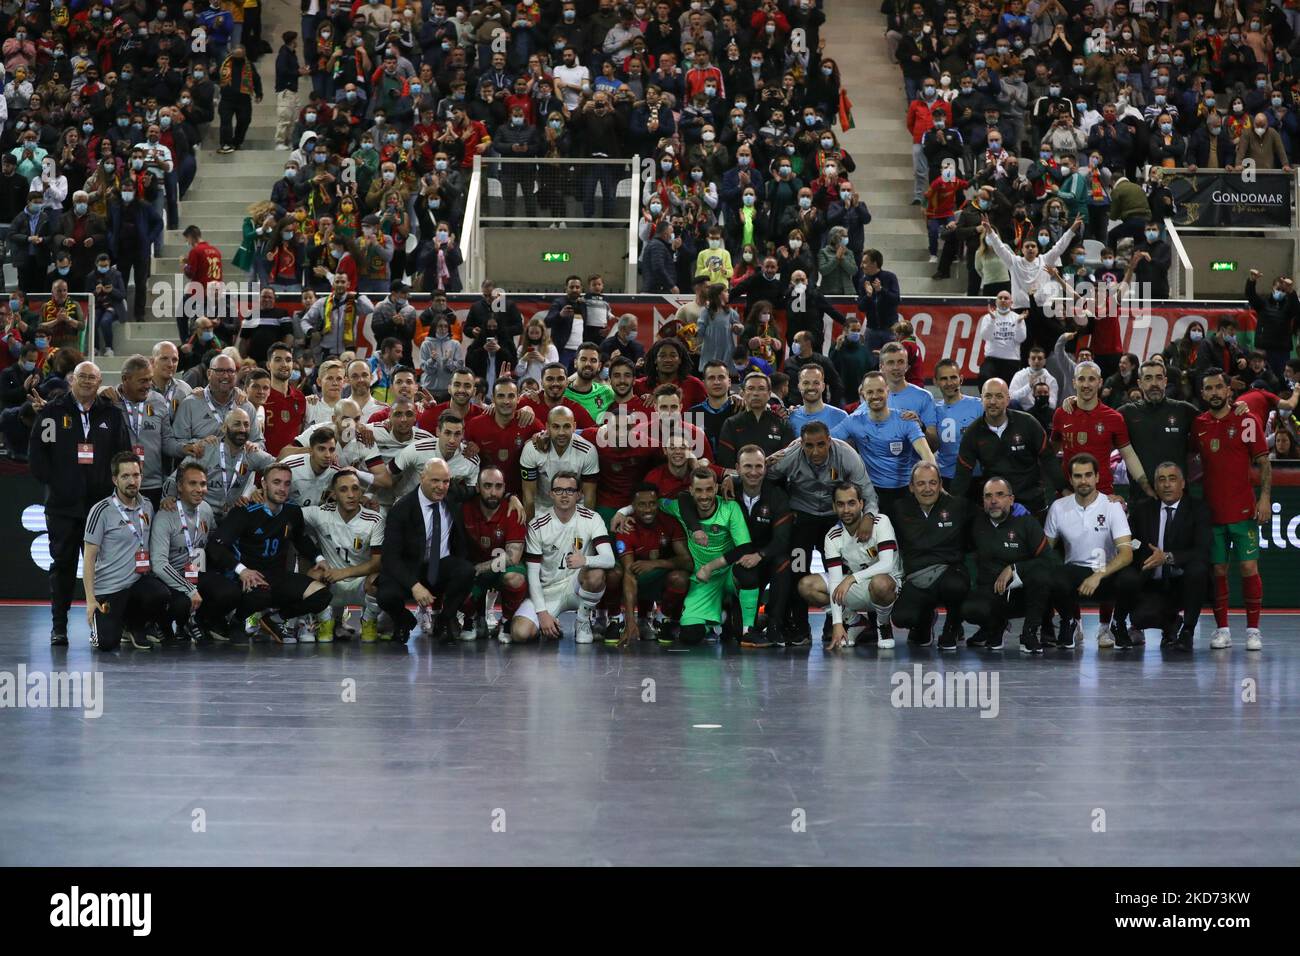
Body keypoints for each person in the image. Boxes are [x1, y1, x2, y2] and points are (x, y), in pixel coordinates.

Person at [29, 361, 132, 645]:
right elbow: (37, 455)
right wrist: (58, 484)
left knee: (104, 567)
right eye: (82, 376)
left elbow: (122, 455)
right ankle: (59, 626)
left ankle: (104, 625)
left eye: (93, 378)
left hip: (99, 508)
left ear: (100, 383)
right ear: (72, 379)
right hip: (63, 506)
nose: (87, 382)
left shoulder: (111, 414)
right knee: (62, 565)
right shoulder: (52, 411)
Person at [764, 422, 878, 645]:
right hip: (801, 517)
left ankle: (836, 623)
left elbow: (868, 492)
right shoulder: (791, 455)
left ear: (829, 441)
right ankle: (800, 626)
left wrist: (869, 517)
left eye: (820, 445)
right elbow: (764, 477)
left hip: (833, 518)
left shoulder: (846, 455)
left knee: (836, 571)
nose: (815, 451)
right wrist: (781, 506)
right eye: (808, 446)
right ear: (801, 443)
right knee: (798, 571)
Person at [205, 462, 332, 644]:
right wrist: (241, 570)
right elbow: (216, 546)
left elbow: (300, 538)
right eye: (277, 482)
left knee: (322, 595)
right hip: (249, 577)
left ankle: (274, 620)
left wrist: (318, 558)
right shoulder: (245, 511)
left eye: (287, 484)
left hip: (277, 576)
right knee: (261, 594)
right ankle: (238, 621)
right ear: (264, 484)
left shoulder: (292, 511)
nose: (282, 489)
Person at [1192, 368, 1270, 651]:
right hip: (1212, 513)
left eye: (1218, 388)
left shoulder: (1246, 420)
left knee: (1249, 568)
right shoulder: (1197, 424)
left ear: (1228, 391)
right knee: (1219, 570)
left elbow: (1264, 462)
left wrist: (1264, 498)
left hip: (1243, 510)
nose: (1214, 393)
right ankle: (1222, 629)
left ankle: (1253, 630)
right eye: (1208, 388)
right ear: (1203, 393)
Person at [1042, 453, 1139, 649]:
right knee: (1048, 575)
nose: (1083, 480)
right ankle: (1068, 622)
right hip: (1075, 573)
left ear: (1097, 477)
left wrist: (1098, 576)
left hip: (1106, 573)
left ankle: (1118, 623)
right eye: (1078, 476)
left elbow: (1127, 553)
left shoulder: (1112, 506)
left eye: (1088, 475)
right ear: (1070, 479)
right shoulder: (1058, 507)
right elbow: (1046, 550)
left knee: (1131, 578)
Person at [375, 458, 478, 643]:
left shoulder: (452, 495)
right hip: (410, 568)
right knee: (386, 595)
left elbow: (480, 491)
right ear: (422, 478)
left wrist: (511, 497)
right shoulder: (402, 509)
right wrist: (414, 585)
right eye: (435, 481)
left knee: (466, 571)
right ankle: (404, 620)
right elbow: (390, 558)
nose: (441, 486)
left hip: (440, 566)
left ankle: (445, 620)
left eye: (445, 481)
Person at [1114, 462, 1212, 653]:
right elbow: (1131, 544)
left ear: (1182, 483)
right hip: (1152, 582)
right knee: (1141, 617)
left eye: (1172, 479)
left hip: (1184, 583)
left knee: (1198, 569)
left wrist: (1167, 557)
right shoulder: (1142, 510)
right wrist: (1146, 556)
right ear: (1156, 486)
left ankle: (1188, 631)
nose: (1167, 485)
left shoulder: (1198, 509)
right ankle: (1171, 624)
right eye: (1162, 480)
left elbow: (1202, 550)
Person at [510, 470, 616, 645]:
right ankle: (551, 627)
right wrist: (543, 614)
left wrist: (585, 561)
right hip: (548, 591)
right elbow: (533, 575)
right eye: (558, 490)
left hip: (577, 586)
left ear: (579, 494)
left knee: (596, 574)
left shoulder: (592, 519)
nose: (564, 495)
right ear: (551, 493)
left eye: (570, 490)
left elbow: (609, 559)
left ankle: (582, 621)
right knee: (520, 633)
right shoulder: (538, 525)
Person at [82, 453, 172, 651]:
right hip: (110, 589)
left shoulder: (147, 506)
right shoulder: (101, 511)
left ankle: (135, 625)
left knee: (161, 594)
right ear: (115, 480)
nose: (132, 481)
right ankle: (113, 625)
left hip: (137, 584)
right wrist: (90, 600)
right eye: (125, 476)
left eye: (136, 475)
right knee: (106, 643)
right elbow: (88, 558)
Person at [797, 482, 903, 650]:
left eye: (851, 503)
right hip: (858, 587)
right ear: (834, 507)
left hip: (890, 587)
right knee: (807, 586)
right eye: (840, 504)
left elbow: (887, 564)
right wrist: (837, 623)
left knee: (880, 583)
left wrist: (852, 578)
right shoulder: (832, 536)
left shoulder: (881, 522)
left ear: (861, 504)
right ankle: (854, 622)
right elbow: (834, 581)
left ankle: (883, 625)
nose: (846, 510)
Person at [149, 461, 241, 645]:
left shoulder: (205, 509)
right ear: (180, 487)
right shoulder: (165, 516)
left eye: (203, 484)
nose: (200, 489)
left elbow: (214, 539)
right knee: (181, 603)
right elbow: (159, 565)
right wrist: (189, 589)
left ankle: (199, 621)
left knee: (231, 591)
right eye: (193, 483)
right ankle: (163, 623)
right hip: (169, 577)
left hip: (195, 572)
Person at [961, 477, 1054, 654]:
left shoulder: (1026, 522)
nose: (994, 500)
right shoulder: (976, 522)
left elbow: (1047, 560)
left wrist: (1014, 568)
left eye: (1000, 495)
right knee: (970, 610)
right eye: (988, 496)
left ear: (1011, 499)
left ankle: (1029, 633)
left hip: (1024, 594)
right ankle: (994, 626)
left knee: (1042, 576)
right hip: (991, 591)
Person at [832, 370, 935, 519]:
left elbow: (926, 454)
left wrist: (934, 483)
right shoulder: (853, 421)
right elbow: (826, 441)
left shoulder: (905, 420)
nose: (875, 396)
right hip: (872, 493)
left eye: (880, 390)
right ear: (863, 394)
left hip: (906, 491)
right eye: (870, 392)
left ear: (887, 391)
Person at [892, 461, 972, 649]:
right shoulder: (899, 508)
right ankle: (925, 621)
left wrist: (1016, 512)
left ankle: (952, 626)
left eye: (933, 483)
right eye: (921, 483)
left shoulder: (958, 506)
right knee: (902, 618)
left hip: (950, 572)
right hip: (917, 577)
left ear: (940, 485)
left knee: (955, 585)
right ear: (911, 487)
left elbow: (988, 519)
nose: (927, 489)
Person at [301, 469, 384, 643]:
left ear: (361, 492)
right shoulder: (320, 514)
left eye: (355, 489)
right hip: (331, 583)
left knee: (380, 579)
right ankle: (326, 622)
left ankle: (368, 621)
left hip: (361, 583)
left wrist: (344, 572)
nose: (351, 495)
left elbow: (377, 563)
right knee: (312, 575)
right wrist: (259, 494)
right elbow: (288, 513)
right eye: (343, 490)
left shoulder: (375, 519)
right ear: (334, 494)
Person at [952, 378, 1057, 515]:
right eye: (988, 396)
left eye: (999, 396)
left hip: (1032, 503)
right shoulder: (973, 433)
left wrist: (1065, 489)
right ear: (981, 399)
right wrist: (951, 504)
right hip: (996, 506)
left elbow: (1049, 459)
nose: (993, 402)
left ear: (1008, 400)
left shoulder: (1028, 423)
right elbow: (962, 473)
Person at [606, 484, 693, 647]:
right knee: (613, 575)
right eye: (642, 504)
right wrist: (630, 621)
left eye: (652, 503)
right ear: (633, 506)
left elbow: (687, 561)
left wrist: (655, 564)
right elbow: (629, 574)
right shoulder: (626, 528)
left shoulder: (669, 522)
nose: (648, 509)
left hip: (659, 577)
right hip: (634, 581)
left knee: (680, 578)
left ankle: (663, 619)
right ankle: (617, 619)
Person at [461, 467, 529, 642]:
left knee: (515, 578)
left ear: (505, 488)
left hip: (500, 568)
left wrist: (481, 568)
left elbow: (512, 556)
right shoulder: (465, 508)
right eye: (487, 486)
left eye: (498, 487)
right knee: (456, 575)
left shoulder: (514, 511)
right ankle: (472, 618)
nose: (493, 492)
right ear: (477, 487)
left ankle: (506, 622)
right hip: (473, 569)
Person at [110, 355, 173, 509]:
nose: (148, 385)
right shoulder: (109, 402)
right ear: (125, 379)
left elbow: (168, 442)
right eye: (143, 381)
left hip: (153, 485)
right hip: (121, 485)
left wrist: (187, 447)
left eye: (150, 379)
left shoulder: (158, 400)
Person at [520, 406, 600, 518]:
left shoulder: (587, 451)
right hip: (541, 510)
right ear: (547, 427)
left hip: (576, 511)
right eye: (556, 427)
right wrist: (531, 528)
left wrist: (584, 527)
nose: (561, 432)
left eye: (566, 426)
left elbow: (589, 498)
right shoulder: (532, 449)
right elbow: (529, 497)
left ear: (574, 427)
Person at [716, 372, 794, 468]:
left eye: (761, 389)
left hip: (774, 481)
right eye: (751, 388)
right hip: (740, 481)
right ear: (743, 393)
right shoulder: (731, 424)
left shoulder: (783, 424)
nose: (756, 393)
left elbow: (789, 462)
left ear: (769, 394)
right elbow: (726, 462)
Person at [932, 358, 983, 482]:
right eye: (944, 378)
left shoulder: (979, 406)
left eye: (953, 377)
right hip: (945, 477)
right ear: (935, 382)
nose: (949, 383)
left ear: (961, 379)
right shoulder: (933, 410)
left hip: (976, 477)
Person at [217, 46, 264, 154]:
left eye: (240, 56)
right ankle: (226, 143)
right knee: (225, 122)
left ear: (244, 55)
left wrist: (259, 93)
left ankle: (237, 142)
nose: (238, 59)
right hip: (226, 99)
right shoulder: (224, 65)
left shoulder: (249, 65)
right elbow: (217, 76)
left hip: (244, 100)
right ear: (232, 55)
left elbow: (256, 79)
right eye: (235, 56)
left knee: (244, 120)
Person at [975, 290, 1028, 385]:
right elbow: (985, 336)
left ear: (1011, 302)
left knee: (1008, 389)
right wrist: (992, 320)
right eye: (1000, 298)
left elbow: (1021, 339)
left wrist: (1019, 323)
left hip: (1012, 360)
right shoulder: (988, 317)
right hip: (992, 359)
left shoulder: (1018, 318)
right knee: (984, 377)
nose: (1003, 300)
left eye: (1006, 298)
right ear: (996, 301)